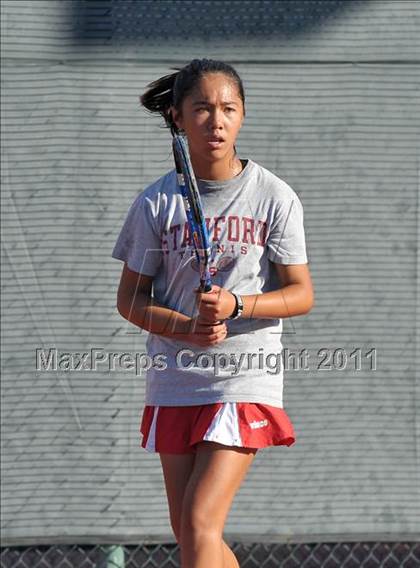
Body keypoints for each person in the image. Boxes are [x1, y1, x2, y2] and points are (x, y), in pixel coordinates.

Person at [112, 58, 314, 568]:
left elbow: (299, 293)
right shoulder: (157, 203)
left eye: (228, 108)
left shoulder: (274, 197)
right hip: (175, 380)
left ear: (243, 116)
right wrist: (185, 328)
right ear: (177, 117)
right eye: (201, 109)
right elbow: (130, 299)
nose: (216, 121)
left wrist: (237, 304)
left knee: (201, 525)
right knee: (192, 536)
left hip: (243, 380)